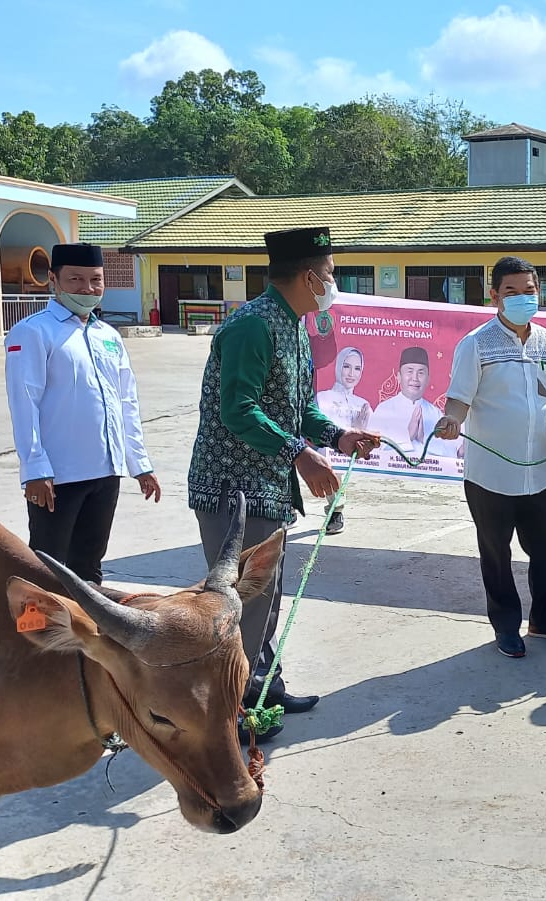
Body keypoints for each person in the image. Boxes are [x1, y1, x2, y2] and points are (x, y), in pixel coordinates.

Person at [186, 226, 380, 740]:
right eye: (332, 274)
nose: (333, 283)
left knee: (266, 598)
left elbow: (299, 408)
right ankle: (228, 712)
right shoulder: (253, 325)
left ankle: (262, 688)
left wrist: (338, 436)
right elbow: (239, 409)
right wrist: (301, 454)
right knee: (241, 603)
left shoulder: (295, 325)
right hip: (233, 489)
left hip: (267, 486)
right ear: (311, 276)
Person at [434, 256, 546, 658]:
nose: (522, 298)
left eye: (529, 291)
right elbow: (459, 398)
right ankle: (506, 626)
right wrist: (452, 421)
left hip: (539, 469)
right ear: (494, 297)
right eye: (511, 292)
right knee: (496, 554)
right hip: (490, 475)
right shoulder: (476, 344)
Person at [4, 242, 161, 585]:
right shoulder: (33, 332)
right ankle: (40, 639)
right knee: (48, 570)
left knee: (89, 566)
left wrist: (139, 464)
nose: (87, 289)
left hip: (105, 472)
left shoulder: (109, 337)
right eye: (76, 279)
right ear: (53, 280)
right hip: (57, 477)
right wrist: (34, 467)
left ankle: (85, 637)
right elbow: (24, 401)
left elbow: (126, 403)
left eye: (95, 280)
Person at [315, 346, 373, 534]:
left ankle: (336, 510)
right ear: (338, 367)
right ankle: (333, 509)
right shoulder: (322, 397)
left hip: (351, 452)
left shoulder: (363, 404)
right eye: (346, 366)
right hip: (324, 448)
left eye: (357, 369)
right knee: (326, 455)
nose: (351, 373)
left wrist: (360, 428)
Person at [369, 346, 459, 458]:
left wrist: (423, 440)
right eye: (409, 371)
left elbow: (451, 455)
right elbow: (372, 453)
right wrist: (407, 437)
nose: (414, 378)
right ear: (399, 377)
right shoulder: (384, 410)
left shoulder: (436, 414)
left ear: (428, 379)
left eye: (420, 373)